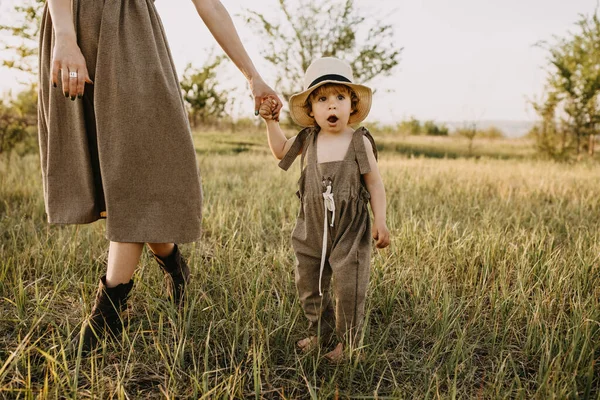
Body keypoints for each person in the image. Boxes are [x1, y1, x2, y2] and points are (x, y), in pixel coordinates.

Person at [38, 0, 282, 353]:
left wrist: (253, 76)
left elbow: (210, 5)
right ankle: (172, 263)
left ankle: (109, 311)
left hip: (132, 36)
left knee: (142, 167)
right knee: (115, 175)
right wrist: (64, 35)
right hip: (70, 27)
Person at [259, 57, 390, 362]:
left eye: (340, 98)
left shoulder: (359, 141)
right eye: (322, 99)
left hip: (350, 225)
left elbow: (375, 185)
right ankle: (321, 333)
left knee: (349, 284)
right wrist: (271, 122)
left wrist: (380, 220)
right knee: (309, 282)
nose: (332, 106)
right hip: (312, 224)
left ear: (352, 105)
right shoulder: (309, 139)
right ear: (311, 110)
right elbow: (280, 150)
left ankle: (348, 343)